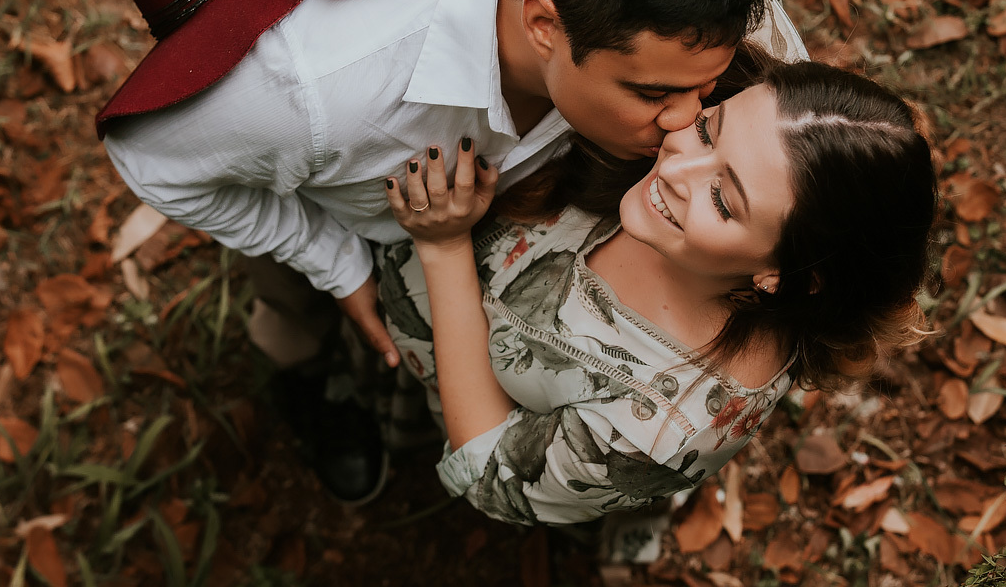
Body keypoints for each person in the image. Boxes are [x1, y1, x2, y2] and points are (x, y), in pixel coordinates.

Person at [98, 0, 806, 504]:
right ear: (543, 27)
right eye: (655, 94)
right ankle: (311, 381)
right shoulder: (306, 94)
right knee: (294, 313)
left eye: (705, 91)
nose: (685, 126)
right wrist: (338, 268)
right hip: (338, 206)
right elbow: (149, 160)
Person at [379, 58, 938, 526]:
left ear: (783, 274)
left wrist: (444, 248)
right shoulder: (725, 82)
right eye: (707, 129)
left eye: (722, 199)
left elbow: (491, 472)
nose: (677, 166)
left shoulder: (662, 429)